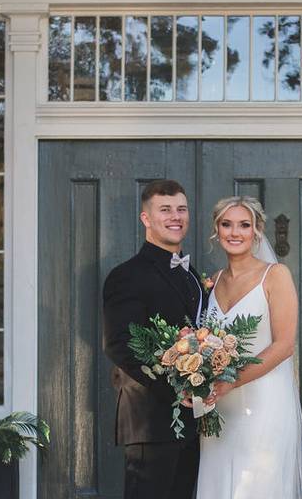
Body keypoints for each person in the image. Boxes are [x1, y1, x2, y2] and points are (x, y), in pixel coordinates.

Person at [196, 195, 302, 498]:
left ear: (257, 231)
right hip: (219, 411)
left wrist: (230, 381)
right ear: (217, 230)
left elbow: (284, 345)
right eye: (227, 224)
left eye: (244, 225)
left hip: (264, 405)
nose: (234, 233)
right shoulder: (213, 281)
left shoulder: (275, 276)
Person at [103, 179, 208, 499]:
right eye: (165, 209)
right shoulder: (127, 275)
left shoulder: (192, 275)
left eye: (181, 209)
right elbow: (120, 344)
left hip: (191, 425)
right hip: (149, 423)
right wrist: (178, 386)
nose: (176, 216)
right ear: (146, 218)